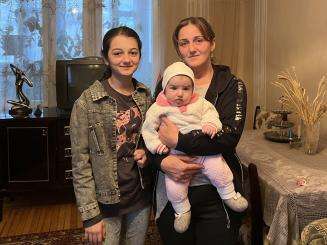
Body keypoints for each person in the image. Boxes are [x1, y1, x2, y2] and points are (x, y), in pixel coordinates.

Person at [152, 17, 248, 244]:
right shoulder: (166, 84)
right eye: (184, 43)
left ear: (212, 44)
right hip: (172, 194)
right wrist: (162, 163)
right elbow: (150, 133)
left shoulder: (231, 85)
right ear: (178, 48)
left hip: (216, 197)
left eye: (199, 40)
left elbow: (228, 138)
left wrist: (179, 140)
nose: (191, 48)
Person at [142, 61, 248, 233]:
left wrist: (211, 125)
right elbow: (148, 130)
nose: (179, 94)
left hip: (204, 152)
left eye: (186, 89)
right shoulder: (158, 107)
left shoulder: (201, 101)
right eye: (174, 88)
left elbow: (211, 114)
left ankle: (229, 195)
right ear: (165, 88)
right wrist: (156, 147)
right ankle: (182, 211)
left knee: (218, 168)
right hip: (175, 156)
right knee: (174, 186)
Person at [70, 26, 153, 245]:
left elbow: (151, 137)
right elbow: (80, 163)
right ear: (105, 58)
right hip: (105, 203)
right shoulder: (87, 102)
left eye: (133, 52)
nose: (126, 59)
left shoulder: (145, 95)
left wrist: (146, 152)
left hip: (140, 198)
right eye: (118, 53)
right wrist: (90, 216)